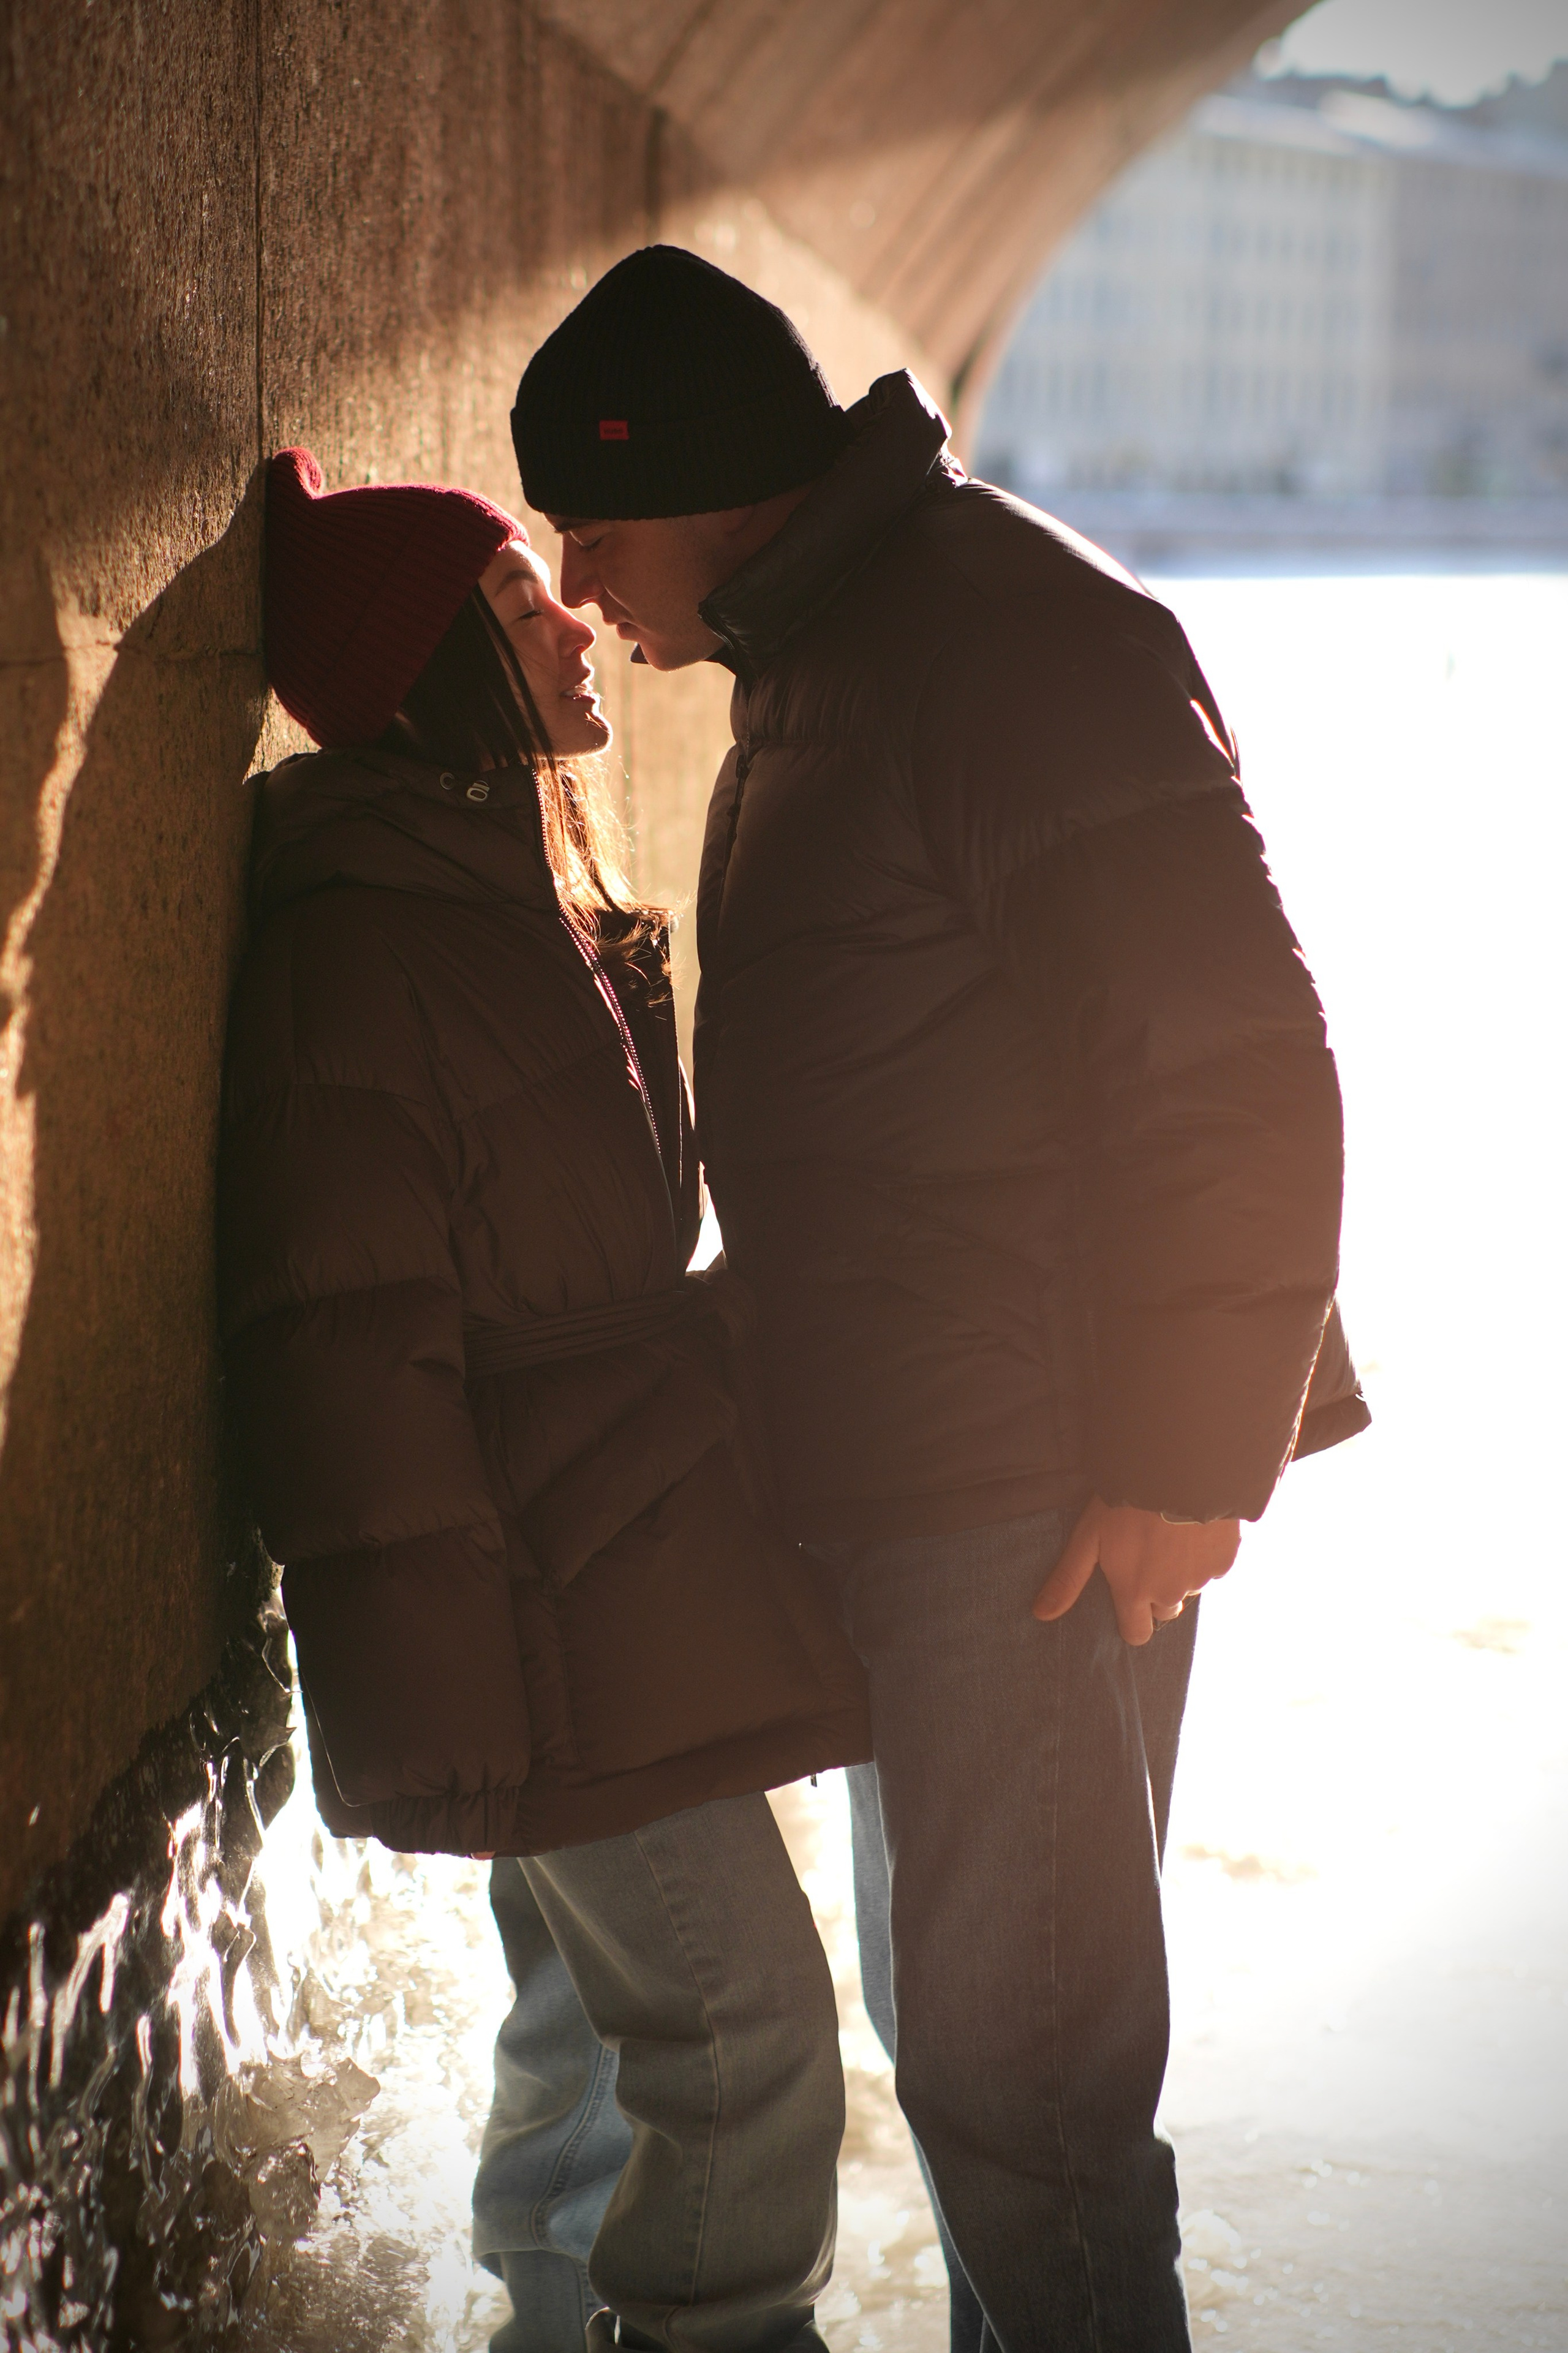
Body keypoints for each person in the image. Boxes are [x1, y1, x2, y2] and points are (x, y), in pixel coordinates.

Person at [510, 246, 1370, 2353]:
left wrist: (1189, 1460)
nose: (582, 583)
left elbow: (1243, 1061)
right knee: (976, 2054)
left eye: (592, 531)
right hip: (937, 1474)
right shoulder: (839, 653)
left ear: (706, 482)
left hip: (1045, 1486)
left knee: (1028, 2088)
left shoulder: (996, 639)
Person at [218, 448, 874, 2353]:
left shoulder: (517, 883)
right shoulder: (368, 945)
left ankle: (551, 2325)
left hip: (626, 1569)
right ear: (426, 673)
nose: (571, 616)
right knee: (748, 2034)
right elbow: (350, 1358)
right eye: (514, 605)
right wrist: (464, 1721)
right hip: (546, 1603)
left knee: (600, 2033)